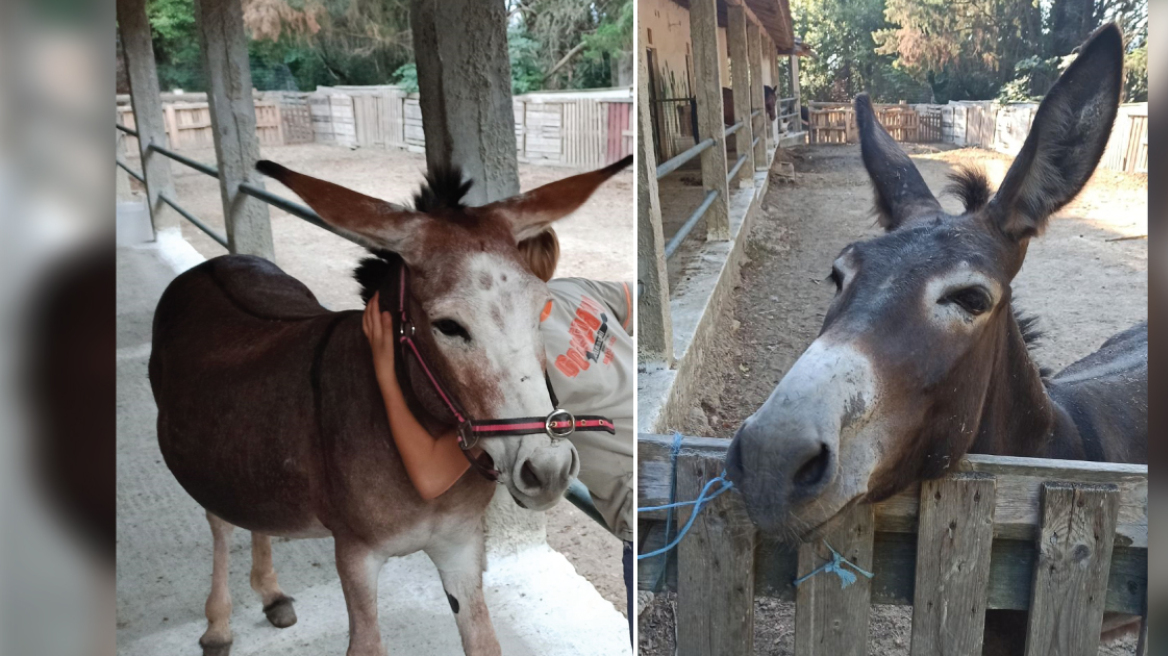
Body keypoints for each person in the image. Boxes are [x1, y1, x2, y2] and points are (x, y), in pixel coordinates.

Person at [363, 227, 635, 640]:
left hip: (642, 508)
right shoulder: (572, 290)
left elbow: (430, 476)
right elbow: (636, 302)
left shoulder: (520, 370)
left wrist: (384, 368)